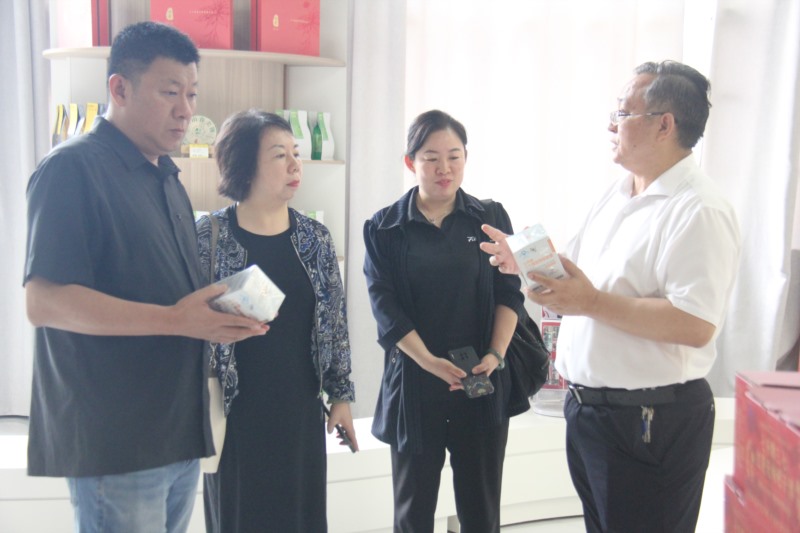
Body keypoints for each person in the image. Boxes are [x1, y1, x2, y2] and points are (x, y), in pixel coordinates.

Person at [23, 21, 269, 533]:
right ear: (119, 88)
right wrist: (176, 319)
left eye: (192, 94)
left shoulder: (166, 177)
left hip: (176, 431)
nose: (186, 110)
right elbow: (44, 302)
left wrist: (218, 315)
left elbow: (166, 292)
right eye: (170, 92)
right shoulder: (71, 169)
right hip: (117, 439)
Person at [481, 61, 741, 532]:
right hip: (591, 412)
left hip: (650, 421)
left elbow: (695, 323)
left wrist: (592, 304)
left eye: (622, 113)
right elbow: (579, 273)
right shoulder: (617, 193)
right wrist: (525, 259)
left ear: (664, 125)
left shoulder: (700, 209)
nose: (610, 125)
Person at [363, 109, 527, 533]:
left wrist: (496, 354)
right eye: (431, 158)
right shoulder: (384, 228)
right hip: (416, 383)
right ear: (410, 162)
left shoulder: (489, 218)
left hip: (481, 381)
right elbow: (385, 307)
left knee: (481, 512)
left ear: (466, 158)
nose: (444, 169)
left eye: (454, 157)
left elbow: (510, 291)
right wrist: (429, 362)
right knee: (413, 513)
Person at [197, 109, 357, 533]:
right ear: (244, 164)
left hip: (299, 412)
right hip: (233, 413)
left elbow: (335, 324)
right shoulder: (209, 236)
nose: (294, 165)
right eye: (279, 155)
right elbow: (185, 319)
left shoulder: (314, 239)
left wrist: (341, 396)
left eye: (296, 153)